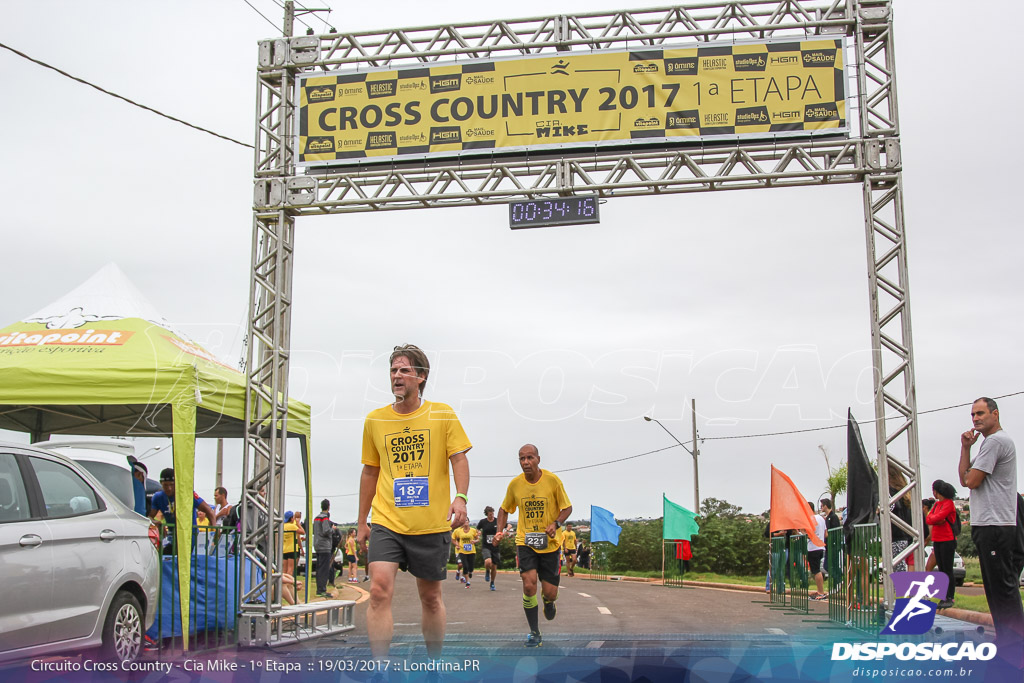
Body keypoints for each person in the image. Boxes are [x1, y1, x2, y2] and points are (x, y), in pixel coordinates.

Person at [357, 344, 472, 657]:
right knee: (379, 591)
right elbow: (370, 472)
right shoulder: (375, 420)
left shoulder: (442, 414)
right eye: (393, 370)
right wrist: (361, 522)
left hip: (429, 523)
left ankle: (434, 664)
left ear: (421, 377)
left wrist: (460, 498)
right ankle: (380, 669)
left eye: (405, 370)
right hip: (387, 521)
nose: (397, 376)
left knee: (431, 598)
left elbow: (459, 460)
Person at [958, 397, 1023, 663]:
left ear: (995, 414)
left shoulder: (996, 441)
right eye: (973, 415)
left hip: (996, 523)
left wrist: (969, 461)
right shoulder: (987, 443)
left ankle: (1015, 642)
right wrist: (965, 449)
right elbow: (965, 479)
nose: (975, 419)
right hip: (988, 523)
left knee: (1003, 587)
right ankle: (1007, 639)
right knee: (995, 587)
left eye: (981, 413)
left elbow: (971, 480)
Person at [495, 443, 572, 648]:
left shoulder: (553, 481)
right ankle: (534, 632)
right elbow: (504, 509)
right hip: (525, 540)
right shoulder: (515, 485)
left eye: (530, 458)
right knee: (529, 585)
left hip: (550, 544)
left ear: (538, 459)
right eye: (522, 459)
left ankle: (548, 602)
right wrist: (499, 531)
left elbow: (567, 508)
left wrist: (555, 524)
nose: (526, 462)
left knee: (549, 592)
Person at [149, 468, 216, 555]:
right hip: (172, 539)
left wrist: (214, 530)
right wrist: (155, 522)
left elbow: (209, 510)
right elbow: (149, 517)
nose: (169, 488)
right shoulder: (158, 497)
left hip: (190, 539)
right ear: (161, 483)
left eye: (172, 485)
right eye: (165, 485)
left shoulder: (187, 493)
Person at [926, 480, 958, 609]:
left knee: (947, 569)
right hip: (937, 540)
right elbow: (929, 518)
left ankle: (950, 596)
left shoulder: (948, 504)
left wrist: (937, 519)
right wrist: (937, 520)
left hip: (947, 539)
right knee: (941, 570)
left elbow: (939, 517)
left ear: (937, 491)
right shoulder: (936, 505)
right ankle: (943, 596)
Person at [886, 462, 914, 572]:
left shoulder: (890, 493)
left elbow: (891, 507)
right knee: (900, 569)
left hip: (895, 536)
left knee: (897, 570)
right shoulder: (905, 492)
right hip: (904, 537)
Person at [313, 499, 334, 597]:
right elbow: (326, 531)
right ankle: (322, 590)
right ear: (328, 507)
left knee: (319, 568)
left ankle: (319, 588)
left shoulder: (316, 518)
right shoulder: (325, 518)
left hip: (317, 545)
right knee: (324, 569)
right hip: (325, 546)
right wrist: (333, 530)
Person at [477, 506, 501, 591]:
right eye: (490, 514)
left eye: (493, 514)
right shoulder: (483, 522)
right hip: (486, 546)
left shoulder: (497, 521)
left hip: (495, 546)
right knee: (488, 562)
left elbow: (507, 525)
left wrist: (506, 530)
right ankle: (487, 570)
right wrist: (478, 532)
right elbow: (477, 529)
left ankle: (492, 582)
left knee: (494, 566)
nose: (492, 516)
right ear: (487, 514)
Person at [806, 502, 827, 600]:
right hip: (821, 546)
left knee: (816, 571)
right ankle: (820, 590)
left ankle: (821, 592)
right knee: (817, 569)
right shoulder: (821, 518)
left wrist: (802, 531)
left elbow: (809, 533)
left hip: (813, 547)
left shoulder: (811, 519)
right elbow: (826, 534)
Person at [453, 521, 478, 587]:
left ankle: (470, 572)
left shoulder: (473, 530)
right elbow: (454, 539)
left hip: (471, 551)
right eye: (464, 521)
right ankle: (467, 581)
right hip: (461, 551)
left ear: (469, 522)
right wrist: (457, 545)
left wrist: (474, 541)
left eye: (466, 521)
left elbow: (478, 539)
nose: (465, 522)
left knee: (471, 567)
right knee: (464, 565)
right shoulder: (458, 531)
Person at [282, 510, 301, 582]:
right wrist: (298, 524)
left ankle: (283, 585)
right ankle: (288, 585)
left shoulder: (283, 526)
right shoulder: (292, 526)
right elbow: (302, 531)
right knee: (290, 570)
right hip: (292, 549)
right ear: (291, 518)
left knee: (284, 570)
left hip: (285, 549)